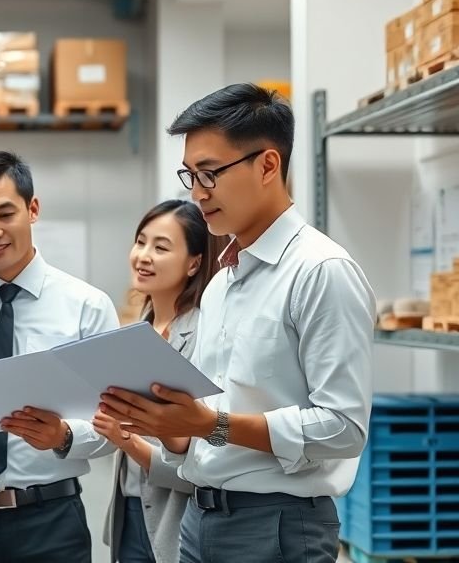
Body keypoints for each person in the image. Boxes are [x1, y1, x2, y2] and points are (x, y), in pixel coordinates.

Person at [98, 83, 375, 563]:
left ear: (268, 165)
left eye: (210, 174)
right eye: (190, 175)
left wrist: (214, 424)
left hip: (278, 525)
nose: (198, 194)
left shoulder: (320, 271)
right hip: (200, 519)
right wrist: (165, 423)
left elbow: (343, 427)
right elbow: (207, 427)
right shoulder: (221, 284)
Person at [0, 151, 119, 563]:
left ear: (33, 209)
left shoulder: (86, 306)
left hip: (51, 521)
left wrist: (63, 436)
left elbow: (114, 425)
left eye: (5, 214)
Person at [94, 200, 225, 563]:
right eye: (140, 242)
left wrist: (129, 442)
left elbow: (208, 458)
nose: (143, 256)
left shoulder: (205, 333)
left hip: (178, 520)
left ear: (194, 262)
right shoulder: (136, 333)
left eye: (161, 247)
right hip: (130, 511)